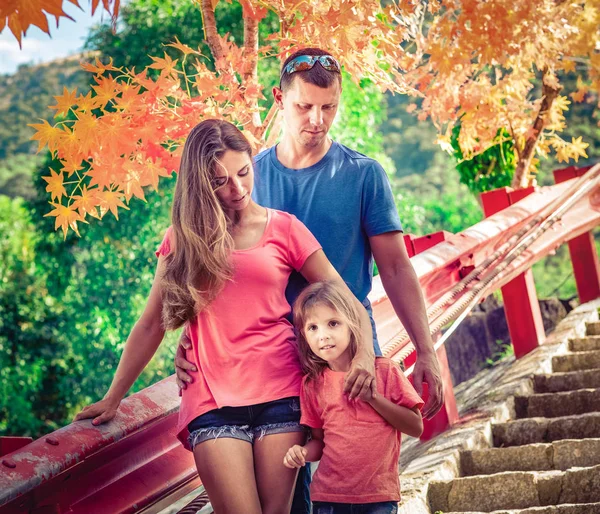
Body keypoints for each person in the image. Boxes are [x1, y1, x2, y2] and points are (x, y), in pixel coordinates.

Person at [174, 48, 444, 513]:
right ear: (280, 99)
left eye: (329, 107)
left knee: (362, 489)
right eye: (304, 106)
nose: (317, 119)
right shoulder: (247, 177)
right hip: (275, 365)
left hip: (349, 357)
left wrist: (426, 351)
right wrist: (189, 336)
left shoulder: (363, 175)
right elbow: (209, 267)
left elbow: (397, 269)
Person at [73, 119, 376, 514]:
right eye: (219, 181)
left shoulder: (284, 228)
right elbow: (152, 323)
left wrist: (366, 355)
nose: (236, 189)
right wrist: (114, 397)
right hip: (211, 400)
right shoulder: (182, 239)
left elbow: (343, 296)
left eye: (243, 173)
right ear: (200, 184)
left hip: (282, 392)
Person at [284, 281, 424, 514]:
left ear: (352, 324)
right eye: (313, 328)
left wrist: (373, 398)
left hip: (378, 497)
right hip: (328, 498)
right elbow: (319, 442)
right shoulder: (312, 384)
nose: (323, 336)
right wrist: (302, 452)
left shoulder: (385, 371)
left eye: (333, 324)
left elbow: (416, 426)